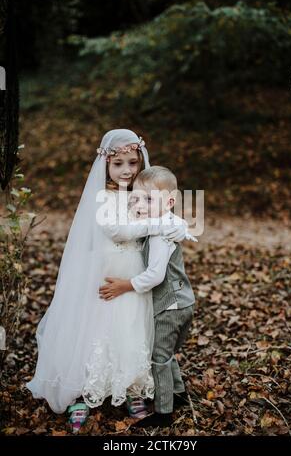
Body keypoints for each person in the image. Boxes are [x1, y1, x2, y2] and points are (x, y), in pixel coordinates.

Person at [26, 130, 186, 432]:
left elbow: (165, 214)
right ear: (105, 165)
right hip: (103, 271)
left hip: (134, 272)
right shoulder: (103, 197)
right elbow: (117, 231)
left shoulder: (141, 194)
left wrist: (173, 225)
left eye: (132, 162)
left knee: (130, 327)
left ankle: (130, 388)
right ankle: (81, 393)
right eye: (119, 164)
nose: (127, 170)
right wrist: (161, 224)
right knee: (94, 327)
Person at [99, 166, 197, 428]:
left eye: (149, 199)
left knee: (159, 357)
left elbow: (155, 275)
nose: (140, 205)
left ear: (170, 202)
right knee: (167, 352)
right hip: (181, 300)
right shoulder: (164, 223)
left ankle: (164, 413)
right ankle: (178, 394)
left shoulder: (159, 235)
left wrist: (125, 285)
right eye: (137, 198)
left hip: (171, 304)